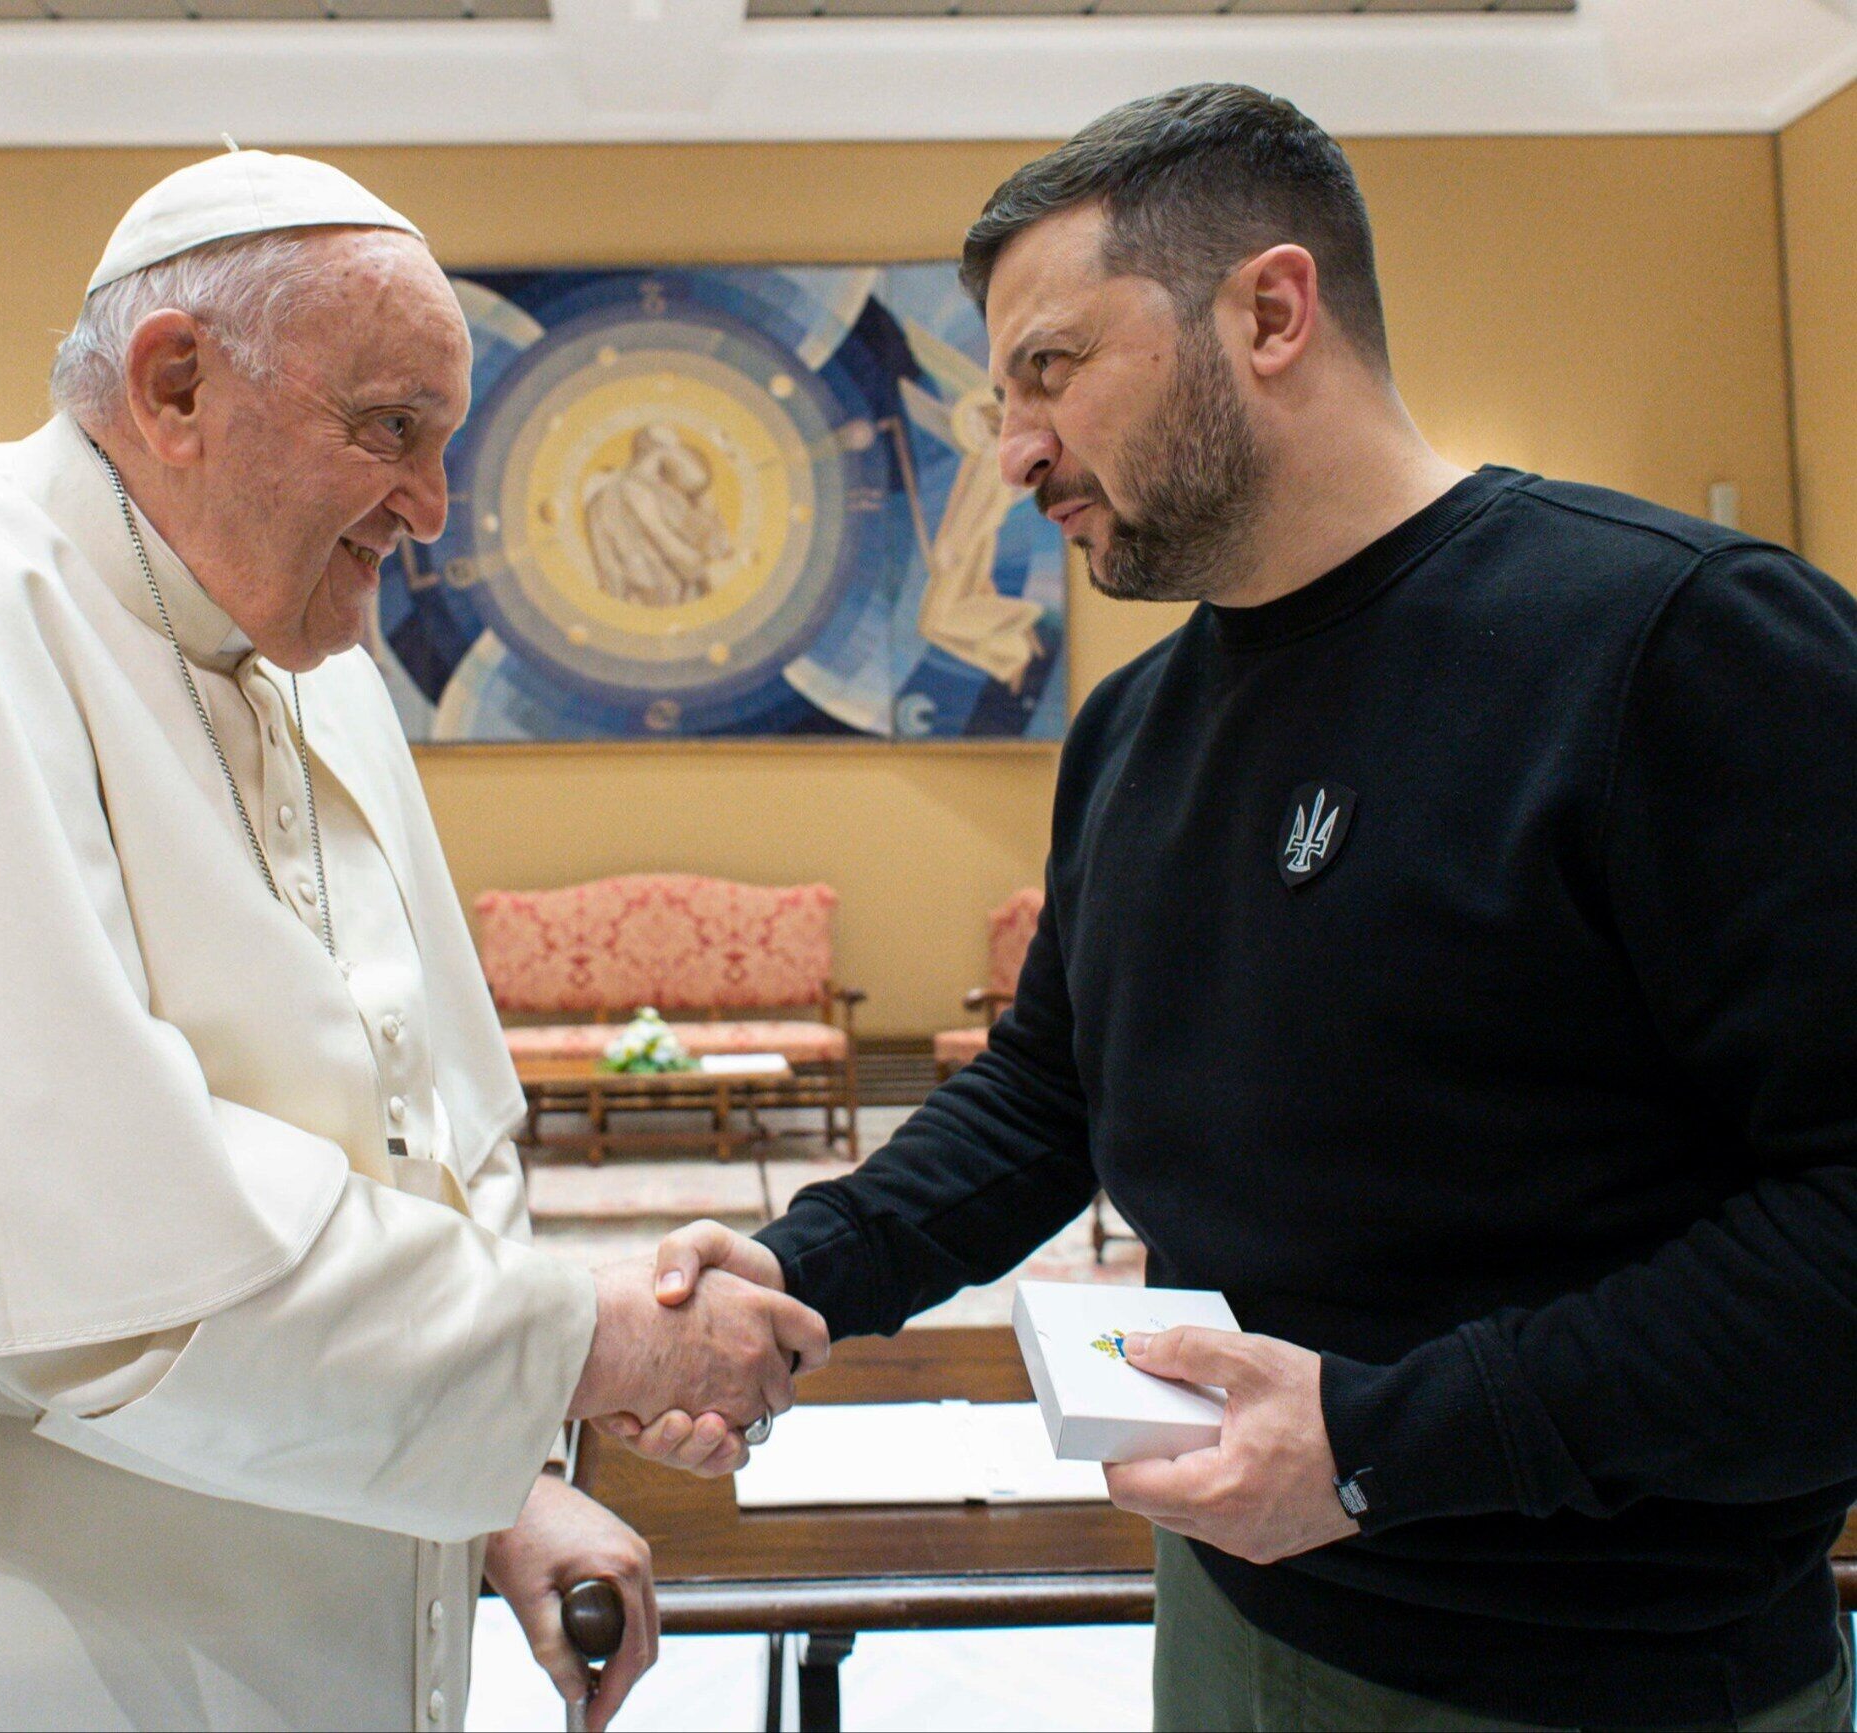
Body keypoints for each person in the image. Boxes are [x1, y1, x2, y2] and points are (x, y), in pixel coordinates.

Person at [629, 84, 1857, 1732]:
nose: (1014, 449)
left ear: (1270, 311)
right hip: (1228, 1613)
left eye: (1053, 369)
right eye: (1001, 394)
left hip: (1608, 1669)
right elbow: (1052, 1088)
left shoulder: (1681, 647)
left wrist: (1375, 1444)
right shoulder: (1137, 726)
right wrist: (801, 1264)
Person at [0, 150, 826, 1731]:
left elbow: (399, 1139)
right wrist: (588, 1338)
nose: (431, 508)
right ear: (174, 385)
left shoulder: (318, 673)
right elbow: (89, 1254)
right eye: (390, 430)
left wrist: (495, 1483)